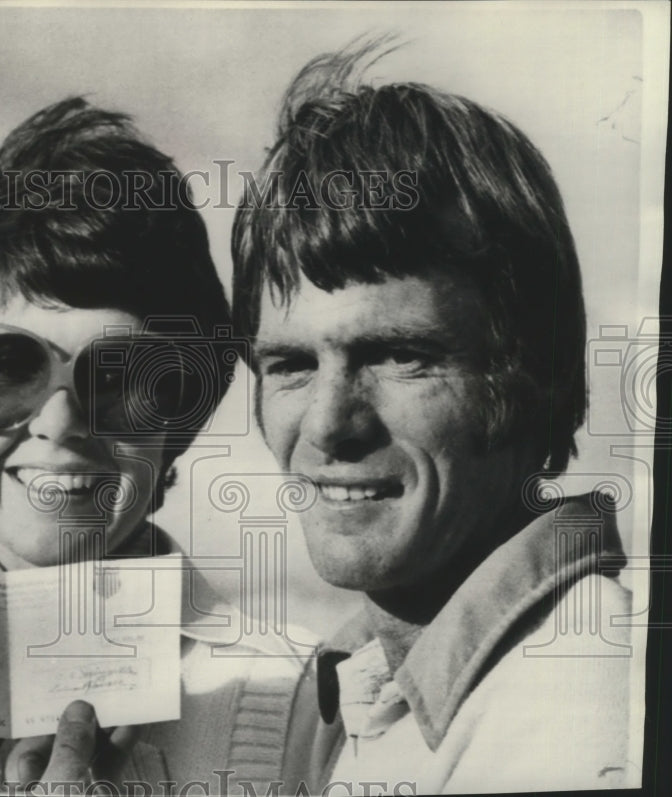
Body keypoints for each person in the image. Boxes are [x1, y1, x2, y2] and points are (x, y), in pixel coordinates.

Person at [0, 99, 306, 795]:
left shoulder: (301, 698)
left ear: (177, 419)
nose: (61, 420)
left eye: (121, 374)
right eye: (10, 366)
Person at [228, 40, 637, 793]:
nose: (327, 424)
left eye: (397, 355)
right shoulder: (346, 695)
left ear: (537, 374)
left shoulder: (576, 697)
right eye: (290, 365)